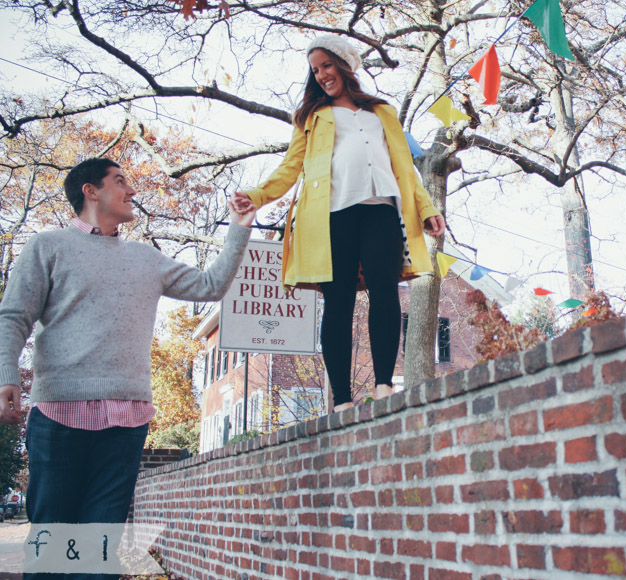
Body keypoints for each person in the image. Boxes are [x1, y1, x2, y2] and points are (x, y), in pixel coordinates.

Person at [0, 158, 255, 580]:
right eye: (121, 181)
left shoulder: (146, 259)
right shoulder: (48, 246)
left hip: (126, 421)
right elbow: (13, 317)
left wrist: (239, 226)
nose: (132, 191)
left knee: (98, 559)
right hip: (59, 415)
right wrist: (7, 374)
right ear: (91, 191)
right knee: (50, 552)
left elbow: (210, 286)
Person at [233, 35, 446, 413]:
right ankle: (342, 400)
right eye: (315, 70)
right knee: (338, 301)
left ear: (345, 65)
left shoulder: (382, 112)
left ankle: (383, 385)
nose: (322, 75)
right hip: (332, 215)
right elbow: (290, 168)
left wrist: (426, 207)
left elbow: (405, 169)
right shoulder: (311, 117)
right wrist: (259, 194)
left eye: (327, 66)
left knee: (385, 290)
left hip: (381, 208)